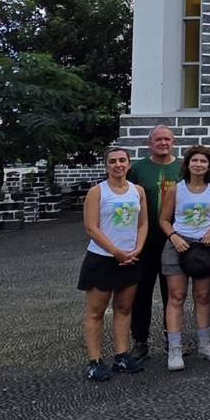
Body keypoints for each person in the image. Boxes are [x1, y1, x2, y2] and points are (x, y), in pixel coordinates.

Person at [79, 147, 149, 381]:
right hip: (102, 259)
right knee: (96, 311)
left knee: (124, 308)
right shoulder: (97, 192)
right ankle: (95, 360)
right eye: (112, 161)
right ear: (106, 165)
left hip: (130, 258)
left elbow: (143, 223)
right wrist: (115, 251)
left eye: (122, 160)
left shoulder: (137, 191)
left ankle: (121, 355)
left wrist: (137, 248)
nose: (118, 165)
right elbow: (91, 227)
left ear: (129, 164)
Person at [159, 145, 210, 370]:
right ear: (187, 164)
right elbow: (164, 219)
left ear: (209, 166)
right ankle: (175, 349)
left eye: (203, 161)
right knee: (176, 297)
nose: (199, 165)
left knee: (202, 297)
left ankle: (205, 344)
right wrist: (174, 236)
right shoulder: (176, 189)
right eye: (195, 160)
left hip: (203, 248)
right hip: (178, 245)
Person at [126, 125, 181, 363]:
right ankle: (140, 340)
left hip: (173, 238)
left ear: (174, 142)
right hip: (145, 240)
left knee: (173, 293)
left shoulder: (182, 168)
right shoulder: (138, 169)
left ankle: (173, 338)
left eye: (167, 139)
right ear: (150, 143)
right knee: (142, 292)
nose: (163, 143)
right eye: (158, 139)